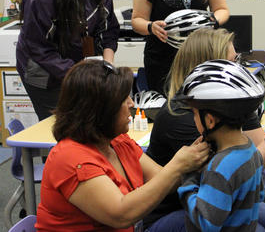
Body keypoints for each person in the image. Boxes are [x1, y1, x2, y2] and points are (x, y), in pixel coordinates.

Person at [144, 27, 265, 231]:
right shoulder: (184, 116)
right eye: (232, 62)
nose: (239, 68)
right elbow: (228, 173)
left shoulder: (230, 104)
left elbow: (254, 161)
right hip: (182, 205)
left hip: (219, 192)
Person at [35, 59, 210, 231]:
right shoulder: (71, 159)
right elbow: (121, 215)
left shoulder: (117, 141)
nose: (131, 104)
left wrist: (195, 159)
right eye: (123, 99)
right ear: (100, 110)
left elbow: (163, 177)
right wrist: (178, 165)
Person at [16, 0, 120, 121]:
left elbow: (109, 26)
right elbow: (39, 49)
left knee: (87, 121)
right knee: (61, 125)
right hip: (45, 74)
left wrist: (108, 62)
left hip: (76, 68)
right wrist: (78, 72)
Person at [175, 59, 265, 231]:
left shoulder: (219, 167)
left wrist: (188, 179)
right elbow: (259, 195)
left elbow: (205, 223)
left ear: (209, 120)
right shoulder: (251, 149)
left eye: (194, 113)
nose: (193, 118)